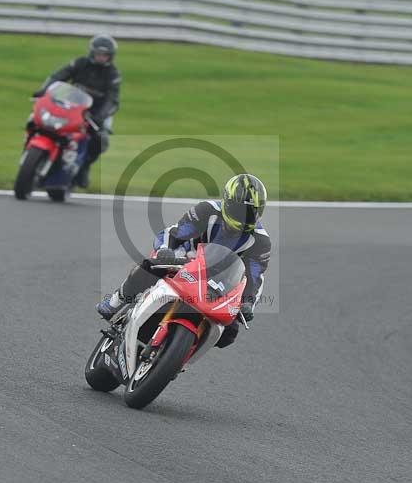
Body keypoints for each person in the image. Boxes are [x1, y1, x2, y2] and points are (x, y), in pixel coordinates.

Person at [96, 174, 271, 349]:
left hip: (220, 282)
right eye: (240, 211)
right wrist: (165, 250)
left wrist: (247, 303)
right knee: (151, 266)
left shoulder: (261, 241)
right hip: (185, 259)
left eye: (251, 212)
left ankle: (181, 352)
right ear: (227, 202)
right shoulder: (207, 210)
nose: (244, 217)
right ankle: (115, 302)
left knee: (229, 333)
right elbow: (175, 233)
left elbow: (255, 277)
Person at [32, 34, 121, 188]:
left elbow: (112, 99)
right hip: (73, 103)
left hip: (97, 111)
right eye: (98, 54)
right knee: (43, 118)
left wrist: (101, 116)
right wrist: (44, 90)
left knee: (100, 139)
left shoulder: (113, 74)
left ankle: (84, 167)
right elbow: (58, 76)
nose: (101, 57)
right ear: (92, 52)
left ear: (110, 56)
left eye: (105, 55)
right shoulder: (80, 63)